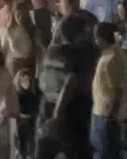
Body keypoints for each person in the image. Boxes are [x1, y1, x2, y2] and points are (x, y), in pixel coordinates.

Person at [37, 15, 96, 159]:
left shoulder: (52, 51)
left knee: (46, 148)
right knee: (74, 150)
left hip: (51, 106)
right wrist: (58, 115)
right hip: (69, 109)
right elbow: (71, 83)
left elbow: (42, 79)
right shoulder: (79, 53)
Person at [91, 22, 127, 159]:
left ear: (100, 38)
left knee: (105, 152)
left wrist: (110, 118)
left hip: (106, 115)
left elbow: (117, 91)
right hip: (103, 113)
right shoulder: (111, 54)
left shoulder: (112, 58)